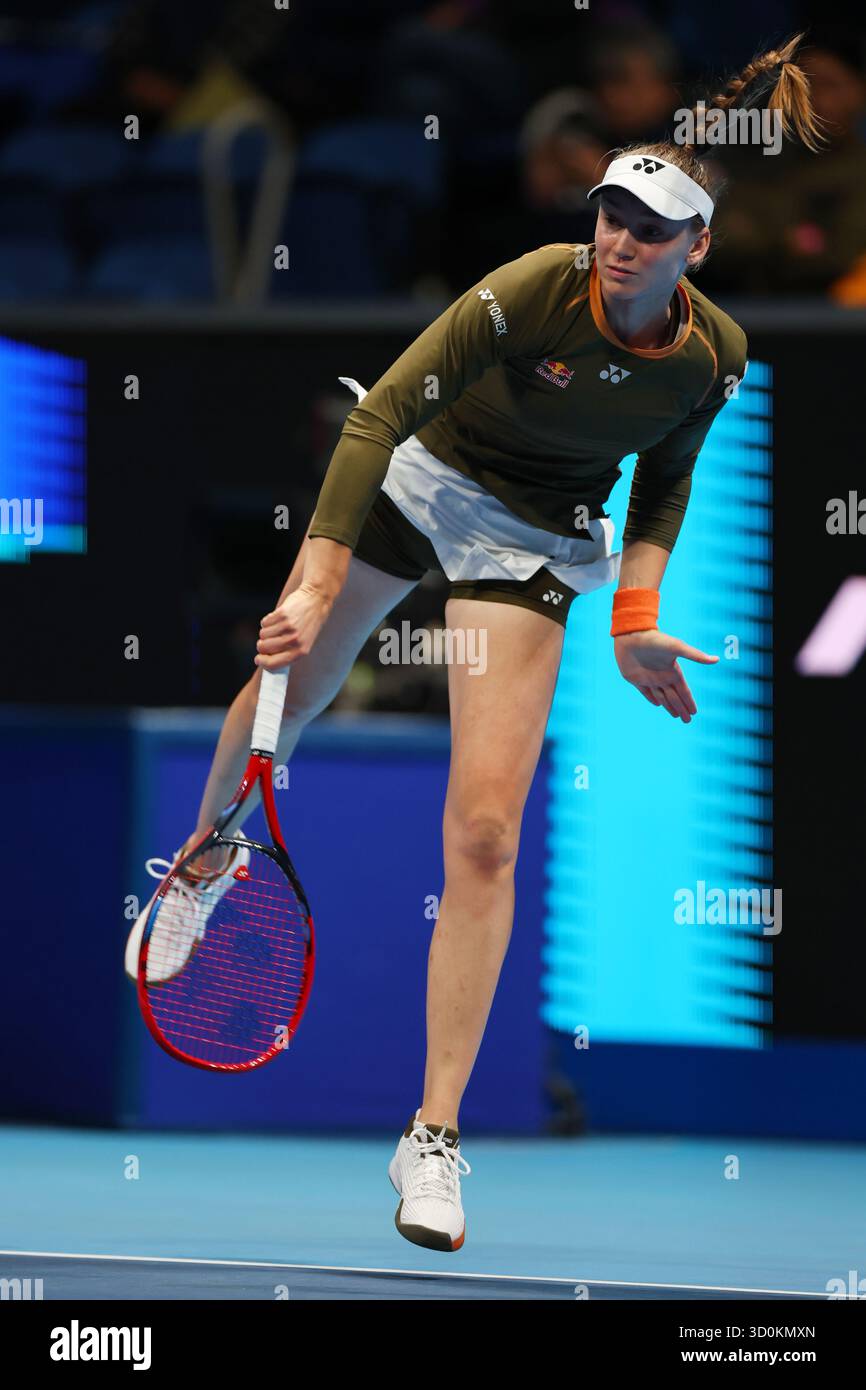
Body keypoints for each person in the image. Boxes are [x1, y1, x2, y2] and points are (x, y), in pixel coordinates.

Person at [125, 33, 824, 1252]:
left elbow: (659, 486)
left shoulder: (715, 358)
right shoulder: (535, 283)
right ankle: (204, 856)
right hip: (420, 472)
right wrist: (315, 571)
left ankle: (431, 1138)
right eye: (609, 213)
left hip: (535, 536)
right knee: (292, 674)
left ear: (694, 248)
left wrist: (635, 617)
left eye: (647, 228)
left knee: (488, 831)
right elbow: (387, 407)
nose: (617, 240)